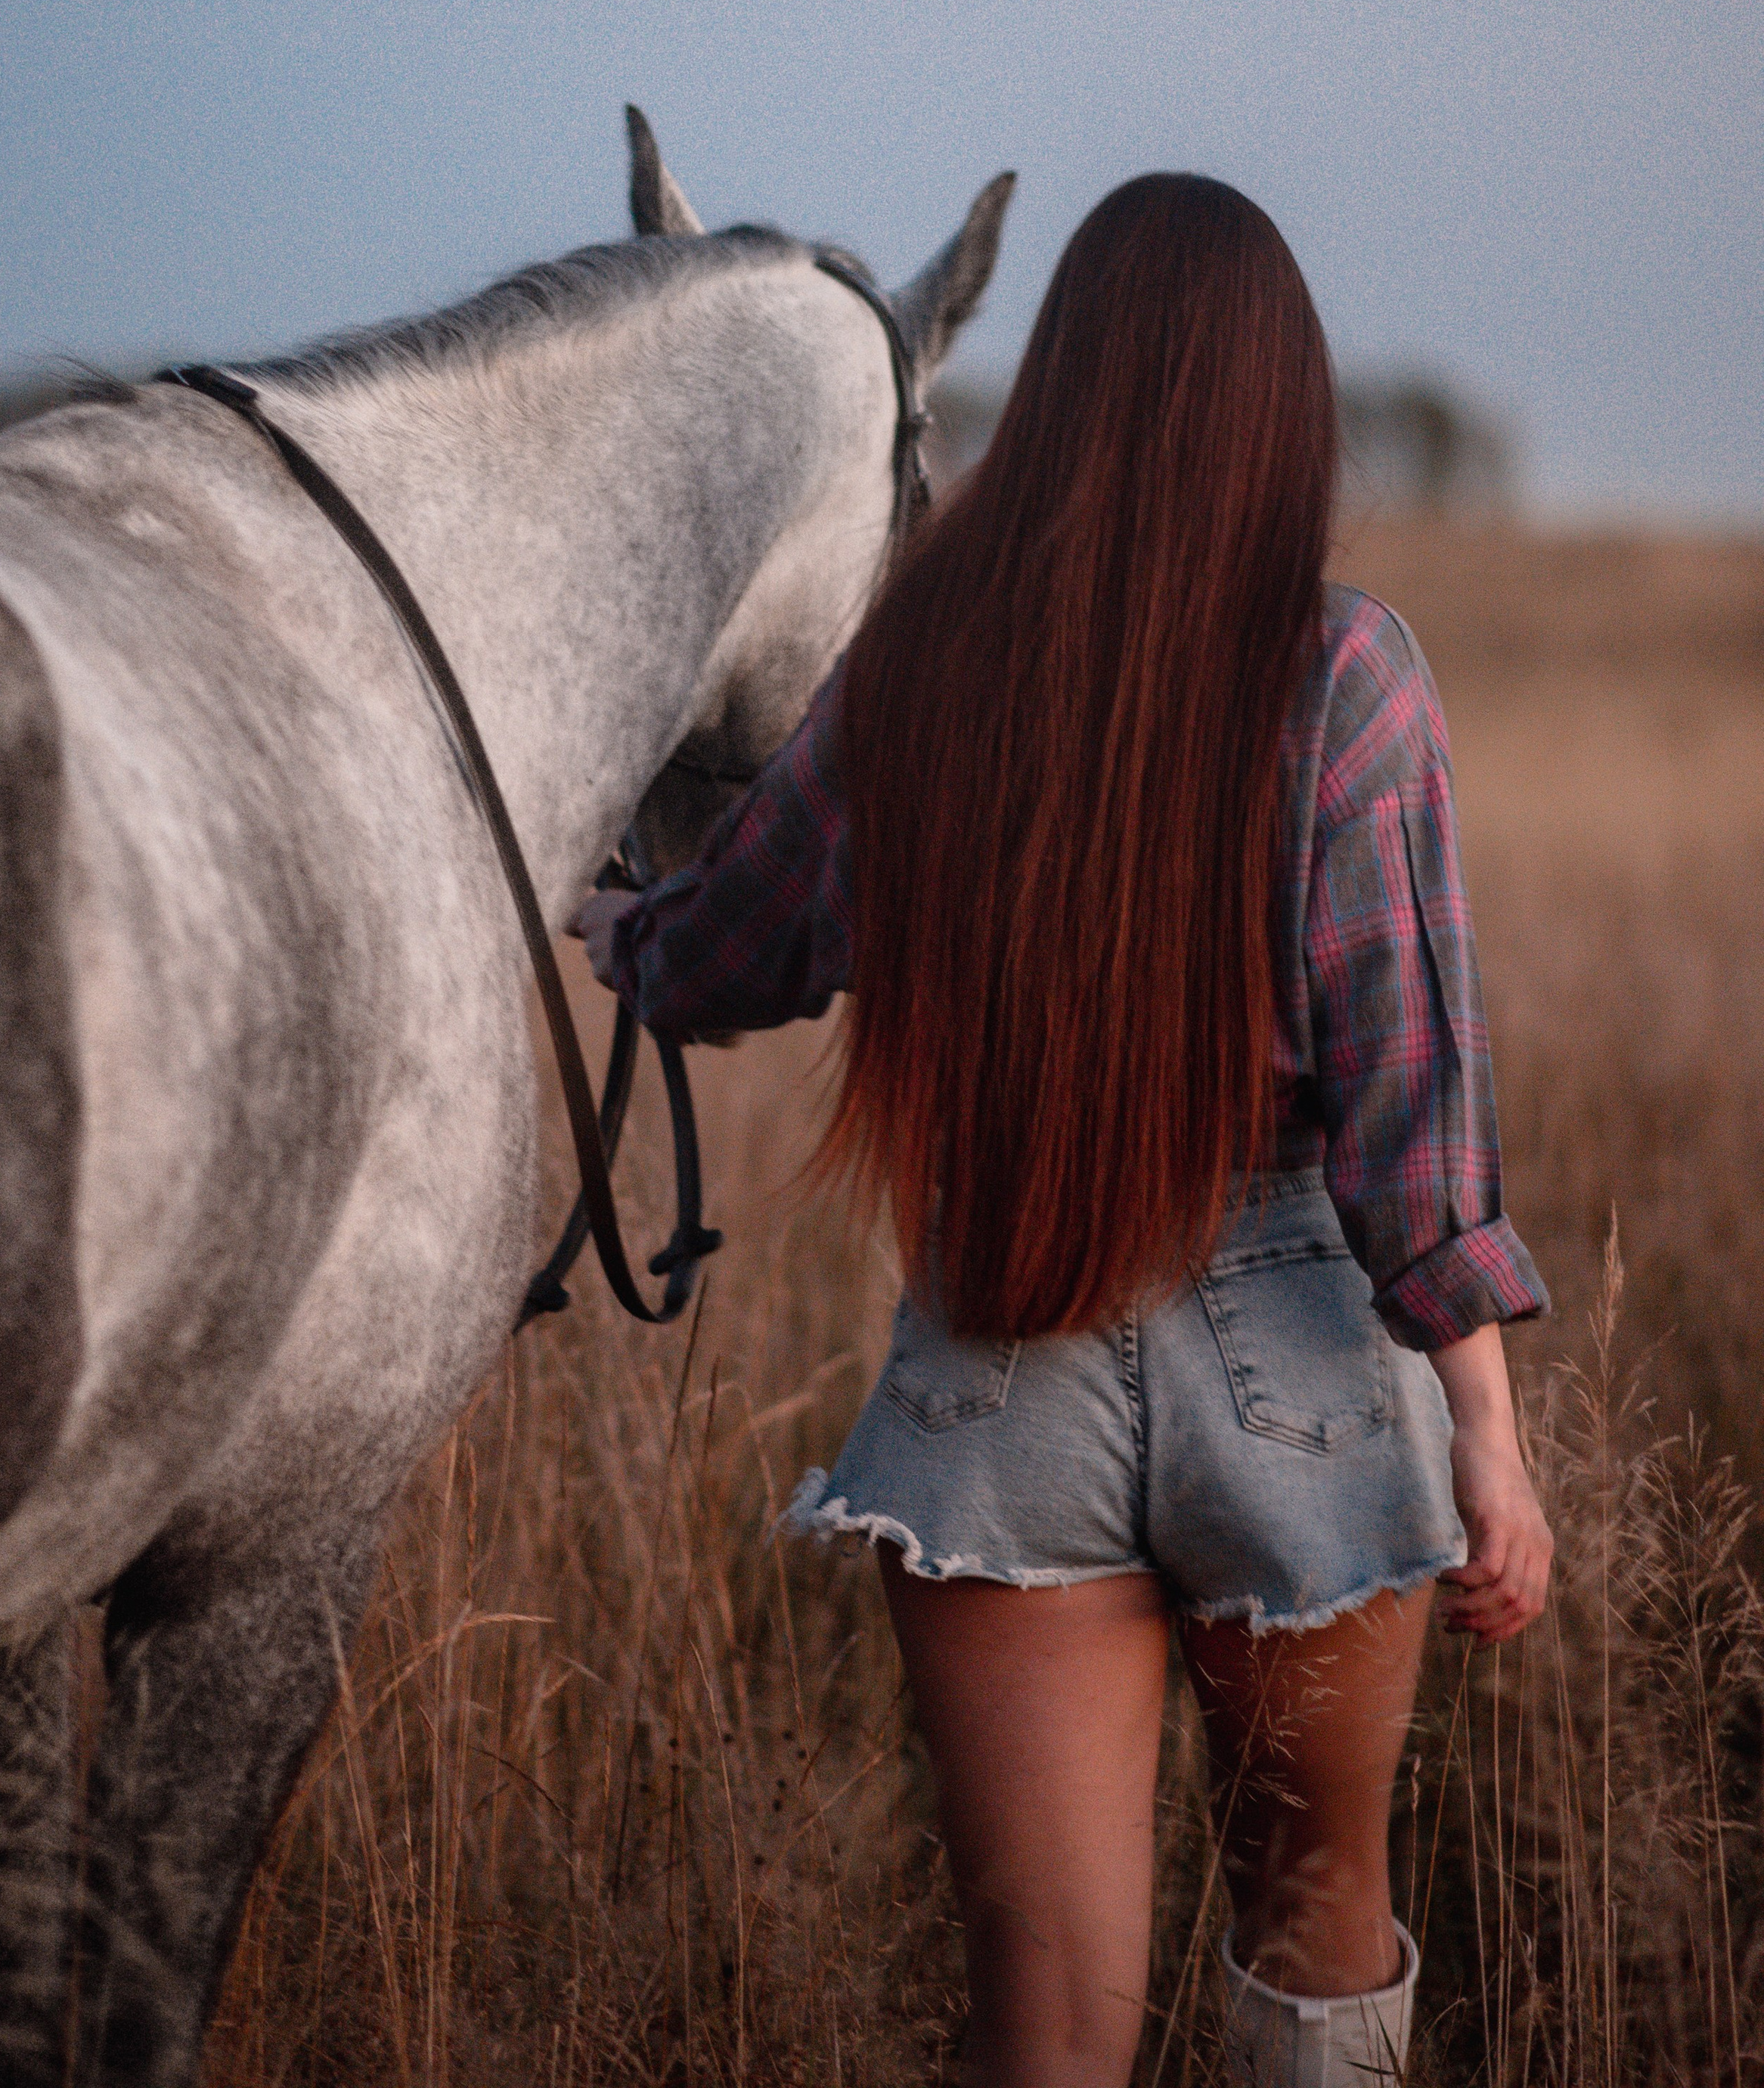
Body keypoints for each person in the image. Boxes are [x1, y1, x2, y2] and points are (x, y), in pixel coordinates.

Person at [575, 175, 1552, 2088]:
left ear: (1066, 393)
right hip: (1304, 1359)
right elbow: (1409, 1112)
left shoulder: (927, 660)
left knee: (1043, 2019)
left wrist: (620, 924)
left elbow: (724, 955)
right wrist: (1491, 1441)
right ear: (1286, 406)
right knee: (1312, 1935)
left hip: (998, 1351)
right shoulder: (1347, 678)